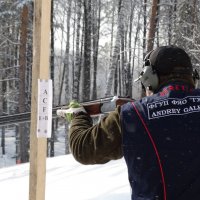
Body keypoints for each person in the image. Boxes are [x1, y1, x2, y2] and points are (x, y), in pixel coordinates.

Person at [57, 45, 200, 200]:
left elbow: (82, 149)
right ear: (193, 77)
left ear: (149, 77)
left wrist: (78, 116)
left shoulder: (134, 114)